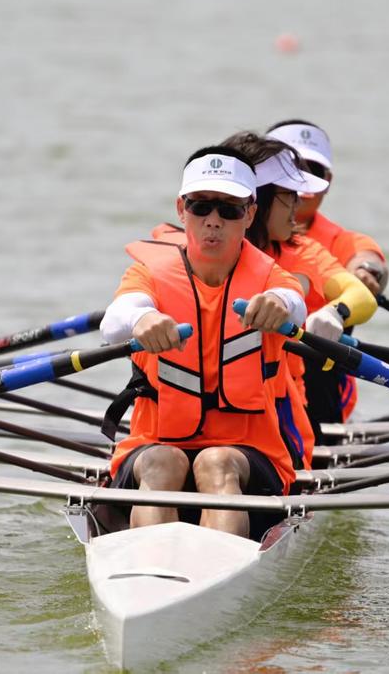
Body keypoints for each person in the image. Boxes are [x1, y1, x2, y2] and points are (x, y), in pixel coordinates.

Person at [99, 145, 306, 540]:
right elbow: (115, 321)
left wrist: (278, 305)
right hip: (152, 448)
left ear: (249, 214)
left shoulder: (271, 280)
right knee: (164, 460)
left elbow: (295, 306)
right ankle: (154, 573)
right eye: (201, 207)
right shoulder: (149, 274)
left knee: (216, 461)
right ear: (181, 210)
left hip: (250, 456)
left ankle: (219, 577)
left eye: (228, 209)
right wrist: (143, 317)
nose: (213, 221)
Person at [224, 132, 377, 452]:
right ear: (259, 198)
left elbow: (360, 295)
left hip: (289, 407)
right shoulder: (196, 252)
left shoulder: (301, 251)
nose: (299, 201)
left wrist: (337, 312)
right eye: (290, 193)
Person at [266, 119, 388, 423]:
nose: (304, 181)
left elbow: (370, 261)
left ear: (328, 179)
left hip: (319, 386)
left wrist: (364, 273)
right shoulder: (223, 232)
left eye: (313, 170)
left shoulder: (338, 243)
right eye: (294, 170)